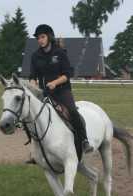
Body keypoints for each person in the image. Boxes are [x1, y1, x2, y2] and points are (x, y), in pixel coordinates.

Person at [29, 24, 94, 154]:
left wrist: (54, 83)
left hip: (62, 91)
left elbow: (67, 75)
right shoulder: (35, 56)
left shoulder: (59, 53)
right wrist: (33, 86)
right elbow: (32, 76)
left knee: (73, 112)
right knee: (33, 116)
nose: (40, 40)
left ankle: (84, 141)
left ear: (49, 37)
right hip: (44, 92)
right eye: (38, 38)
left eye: (42, 37)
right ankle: (35, 151)